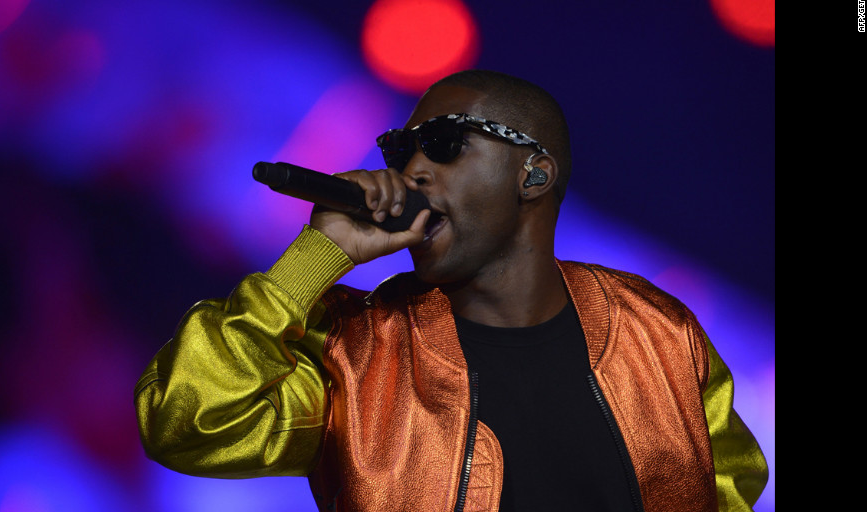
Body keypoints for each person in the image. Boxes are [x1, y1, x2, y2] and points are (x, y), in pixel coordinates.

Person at [134, 69, 768, 511]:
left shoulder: (655, 327)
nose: (411, 168)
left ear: (534, 173)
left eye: (443, 143)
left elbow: (731, 480)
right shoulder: (351, 353)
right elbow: (187, 422)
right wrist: (314, 258)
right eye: (401, 147)